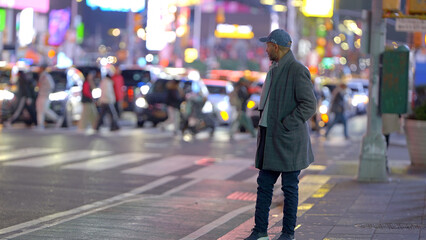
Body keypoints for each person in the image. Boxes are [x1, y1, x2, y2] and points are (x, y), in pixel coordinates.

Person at [244, 29, 317, 240]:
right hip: (270, 137)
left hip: (288, 140)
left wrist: (287, 124)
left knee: (289, 188)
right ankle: (260, 232)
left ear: (275, 46)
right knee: (264, 186)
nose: (265, 49)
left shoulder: (296, 70)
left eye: (267, 45)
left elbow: (309, 104)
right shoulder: (274, 69)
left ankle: (287, 234)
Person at [35, 65, 63, 129]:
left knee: (45, 110)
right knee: (39, 110)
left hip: (45, 96)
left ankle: (57, 119)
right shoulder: (42, 76)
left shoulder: (46, 76)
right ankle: (40, 124)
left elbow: (51, 86)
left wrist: (46, 92)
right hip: (41, 95)